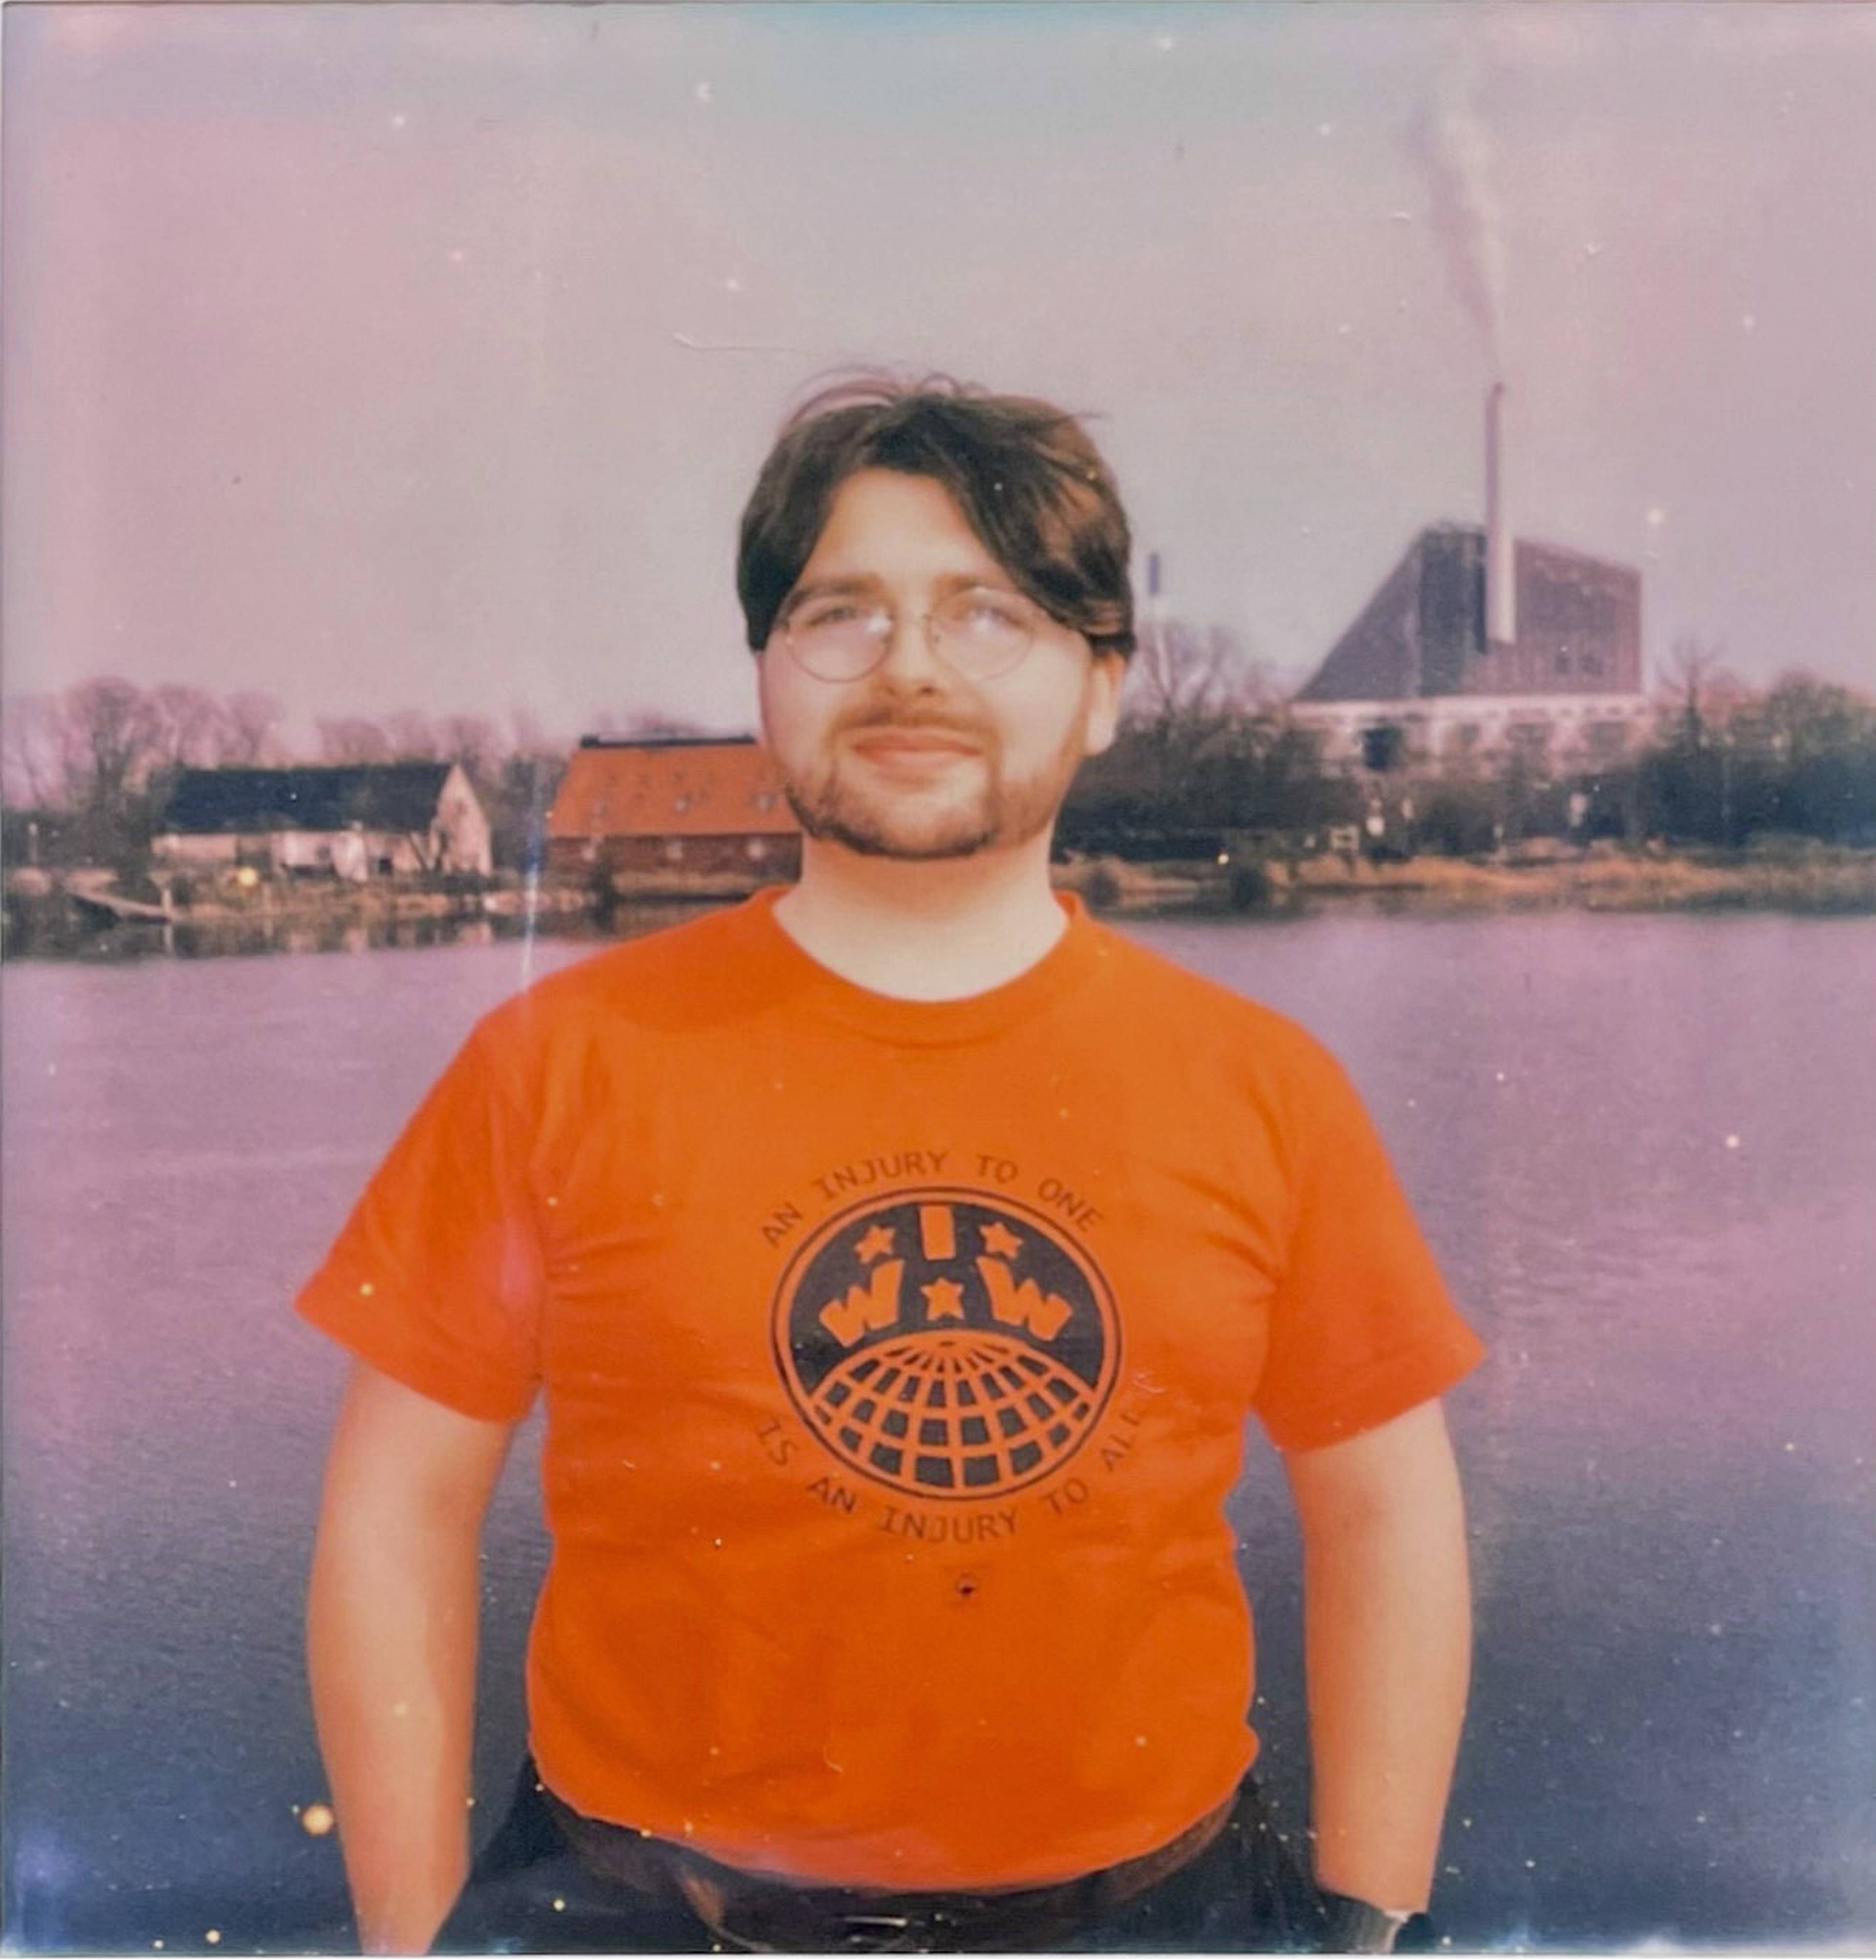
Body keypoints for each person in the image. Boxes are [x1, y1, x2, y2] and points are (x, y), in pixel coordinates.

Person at [299, 375, 1484, 1955]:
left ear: (1107, 685)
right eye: (841, 613)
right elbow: (397, 1509)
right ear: (767, 673)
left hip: (1168, 1913)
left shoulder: (1267, 1086)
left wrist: (1370, 1912)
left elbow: (1387, 1509)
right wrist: (407, 1932)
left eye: (991, 614)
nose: (910, 669)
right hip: (639, 1909)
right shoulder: (554, 1066)